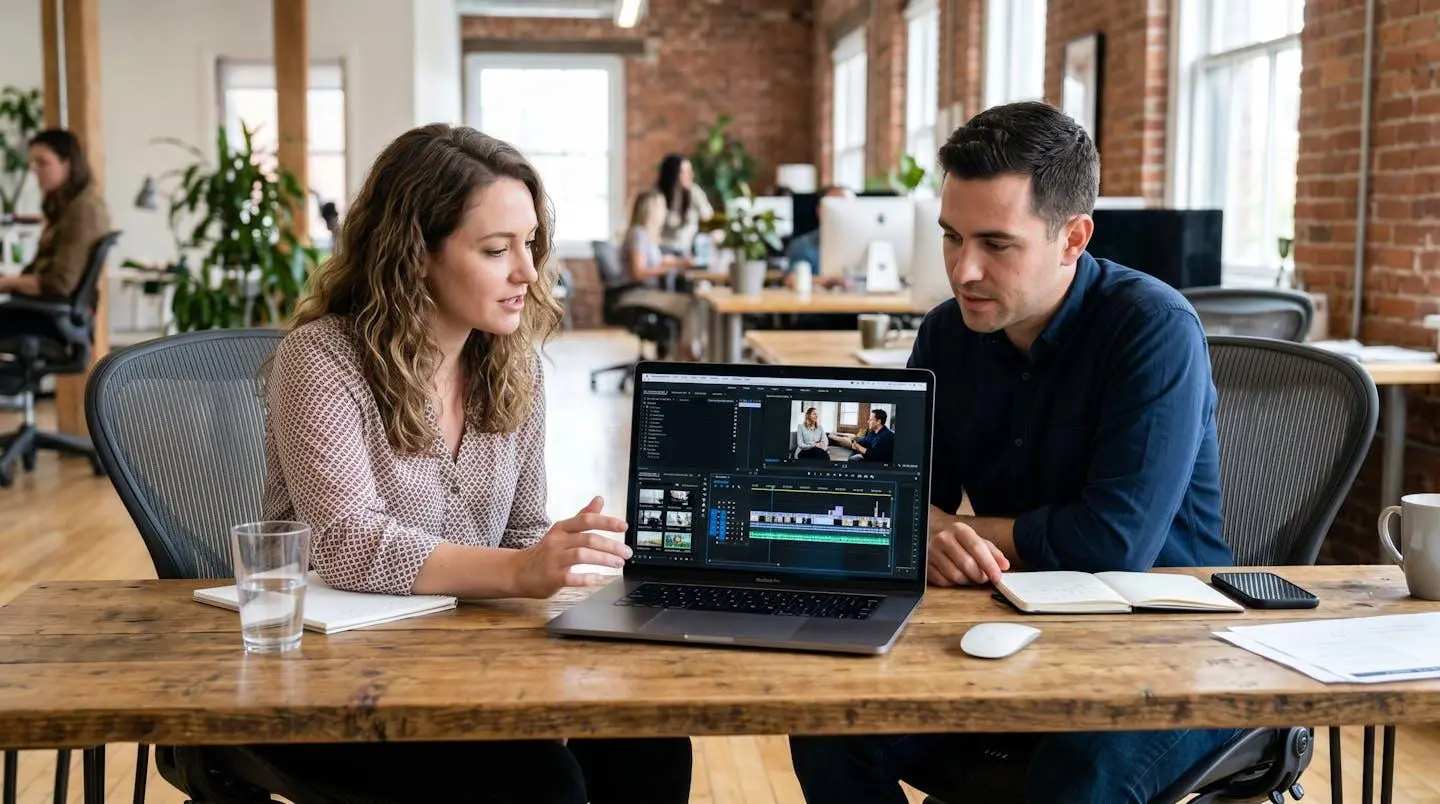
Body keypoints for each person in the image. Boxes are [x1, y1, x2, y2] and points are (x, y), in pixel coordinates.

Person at [787, 101, 1236, 804]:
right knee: (829, 725)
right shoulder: (946, 333)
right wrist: (923, 523)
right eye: (950, 237)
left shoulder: (1153, 328)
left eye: (996, 244)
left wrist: (951, 531)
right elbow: (883, 497)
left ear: (1072, 238)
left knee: (1073, 777)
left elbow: (1115, 542)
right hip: (1008, 623)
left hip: (1164, 645)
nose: (963, 270)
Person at [259, 123, 692, 804]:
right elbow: (347, 542)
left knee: (649, 736)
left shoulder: (514, 366)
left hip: (465, 663)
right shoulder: (322, 359)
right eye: (497, 250)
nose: (527, 272)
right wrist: (522, 570)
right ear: (416, 256)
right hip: (336, 680)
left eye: (530, 245)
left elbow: (522, 528)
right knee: (540, 785)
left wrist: (568, 560)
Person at [0, 129, 110, 298]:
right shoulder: (68, 207)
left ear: (67, 164)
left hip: (47, 314)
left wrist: (9, 282)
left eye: (42, 163)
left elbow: (60, 284)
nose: (35, 171)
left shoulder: (83, 211)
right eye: (33, 164)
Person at [782, 184, 853, 289]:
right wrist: (828, 280)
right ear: (819, 211)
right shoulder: (803, 245)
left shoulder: (869, 243)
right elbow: (791, 279)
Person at [621, 189, 690, 288]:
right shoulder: (639, 234)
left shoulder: (644, 234)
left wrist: (679, 262)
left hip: (647, 291)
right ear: (651, 211)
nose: (665, 212)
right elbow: (637, 273)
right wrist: (664, 270)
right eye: (662, 208)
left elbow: (653, 260)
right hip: (640, 293)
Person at [655, 153, 713, 254]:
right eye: (685, 172)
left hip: (687, 250)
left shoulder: (694, 192)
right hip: (663, 249)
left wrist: (697, 196)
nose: (691, 175)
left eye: (690, 171)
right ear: (673, 174)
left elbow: (708, 217)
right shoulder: (659, 196)